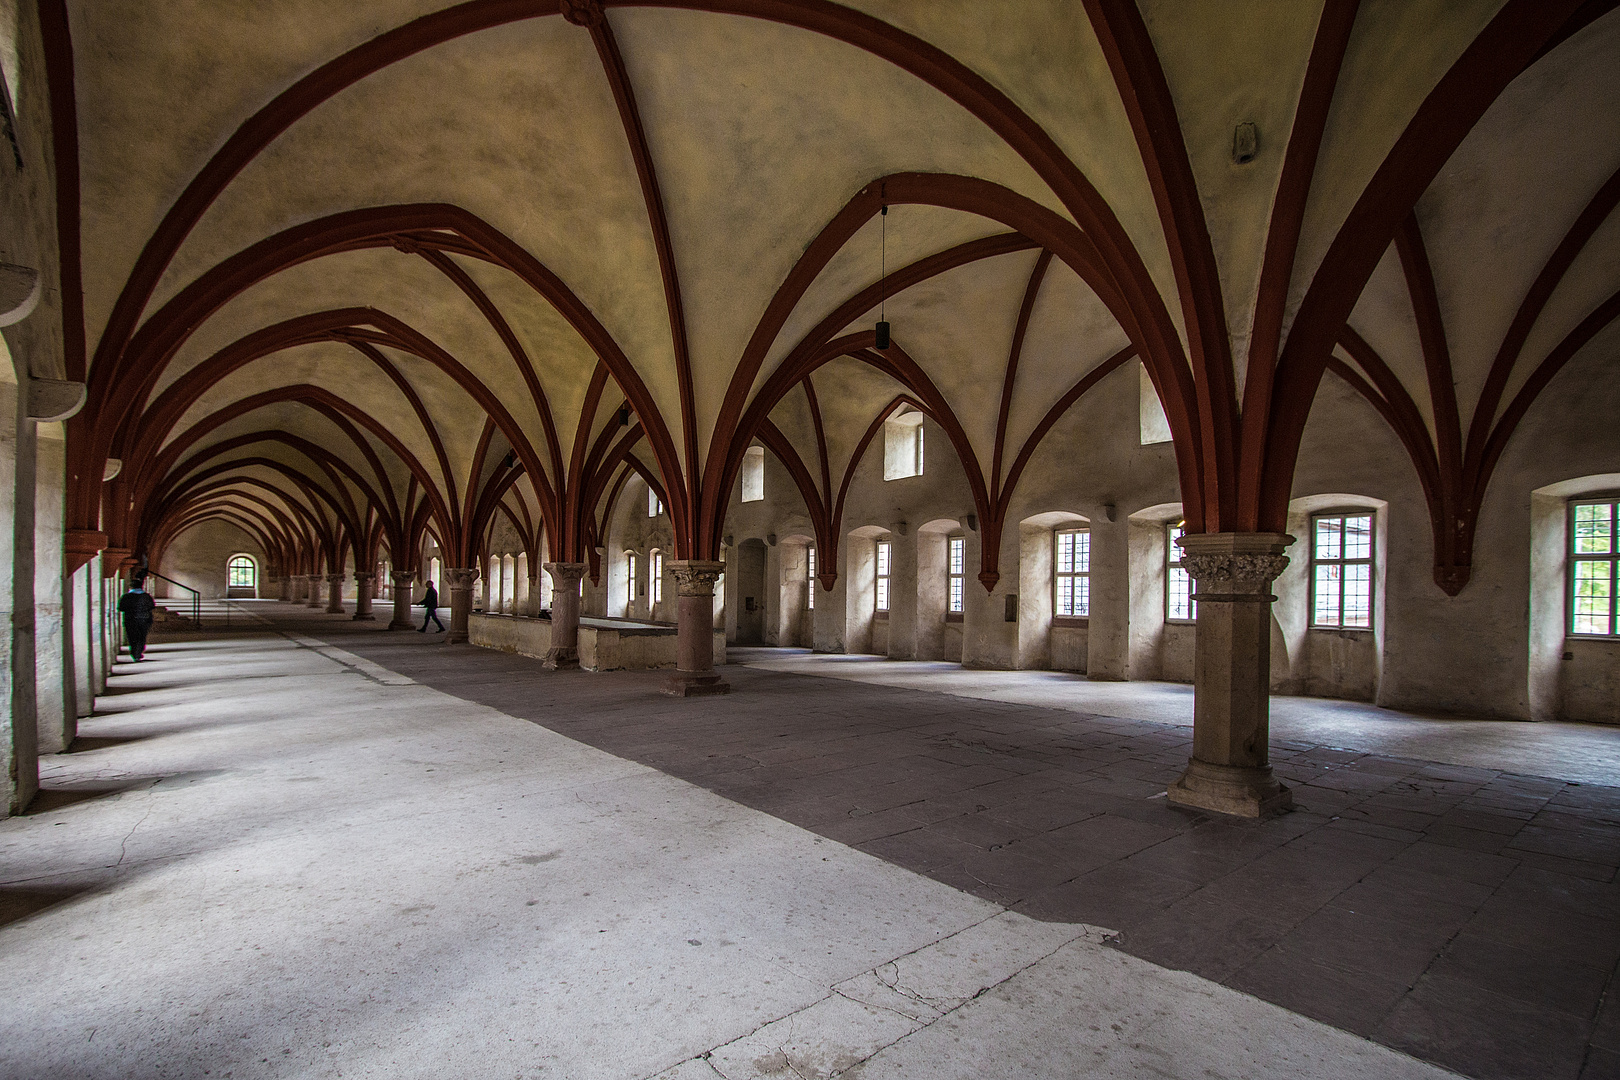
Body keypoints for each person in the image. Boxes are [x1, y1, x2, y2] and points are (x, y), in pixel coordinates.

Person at [118, 574, 157, 662]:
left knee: (132, 636)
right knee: (142, 636)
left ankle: (134, 652)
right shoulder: (146, 596)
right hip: (144, 619)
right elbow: (152, 606)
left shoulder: (126, 597)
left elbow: (121, 608)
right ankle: (139, 652)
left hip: (130, 619)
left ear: (131, 587)